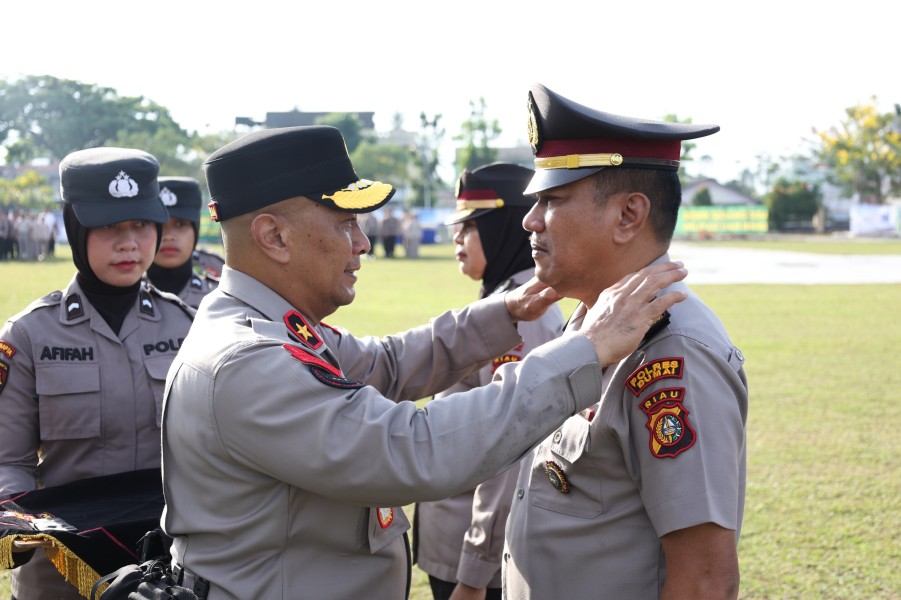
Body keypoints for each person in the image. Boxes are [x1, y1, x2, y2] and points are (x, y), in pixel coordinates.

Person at [160, 125, 689, 600]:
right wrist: (585, 351)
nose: (363, 242)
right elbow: (411, 450)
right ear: (273, 236)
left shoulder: (276, 330)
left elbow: (385, 365)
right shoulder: (244, 360)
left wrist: (503, 311)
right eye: (345, 223)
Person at [501, 84, 749, 599]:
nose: (530, 220)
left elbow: (705, 579)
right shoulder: (591, 319)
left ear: (629, 216)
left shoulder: (673, 350)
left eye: (552, 199)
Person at [0, 147, 196, 600]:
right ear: (75, 229)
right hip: (63, 565)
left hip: (166, 558)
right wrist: (20, 522)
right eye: (109, 227)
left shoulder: (187, 326)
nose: (129, 242)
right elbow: (10, 460)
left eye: (142, 225)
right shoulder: (29, 334)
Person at [415, 163, 564, 600]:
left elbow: (510, 456)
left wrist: (474, 574)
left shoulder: (525, 316)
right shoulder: (504, 298)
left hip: (479, 556)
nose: (457, 238)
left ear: (502, 227)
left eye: (470, 225)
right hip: (458, 539)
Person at [146, 176, 219, 308]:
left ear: (196, 230)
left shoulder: (218, 297)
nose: (168, 237)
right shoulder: (122, 297)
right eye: (159, 225)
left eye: (180, 224)